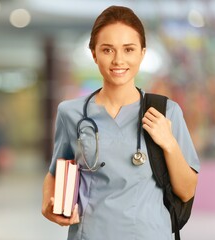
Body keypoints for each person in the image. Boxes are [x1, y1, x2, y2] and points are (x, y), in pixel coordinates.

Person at [41, 5, 200, 240]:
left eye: (128, 49)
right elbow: (56, 171)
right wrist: (48, 206)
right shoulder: (71, 113)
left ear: (142, 53)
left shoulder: (166, 112)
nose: (118, 60)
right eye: (107, 50)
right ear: (94, 53)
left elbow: (186, 191)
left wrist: (169, 143)